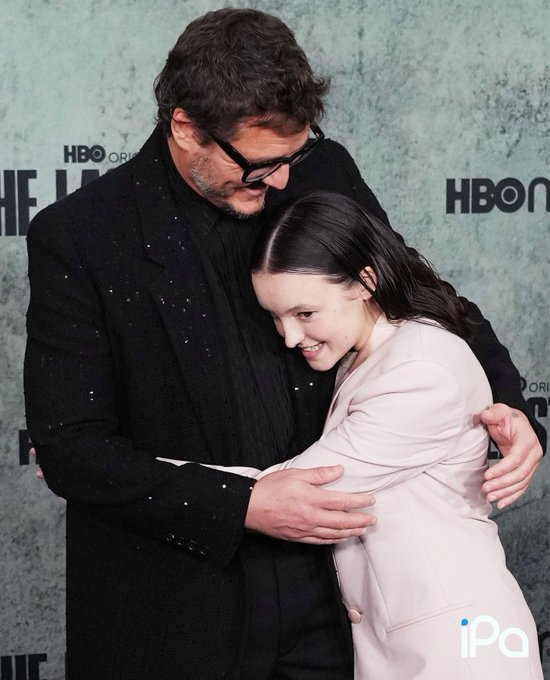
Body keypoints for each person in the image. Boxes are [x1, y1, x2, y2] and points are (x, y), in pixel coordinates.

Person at [23, 8, 543, 680]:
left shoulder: (322, 169)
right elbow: (73, 451)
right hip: (176, 610)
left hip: (334, 603)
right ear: (186, 127)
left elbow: (417, 295)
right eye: (260, 166)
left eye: (293, 157)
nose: (282, 183)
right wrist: (244, 505)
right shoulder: (82, 235)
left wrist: (509, 408)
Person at [173, 190, 541, 679]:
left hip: (460, 648)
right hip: (411, 643)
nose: (289, 336)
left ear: (366, 282)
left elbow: (297, 489)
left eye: (305, 314)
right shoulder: (374, 353)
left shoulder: (422, 370)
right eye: (275, 317)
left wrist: (137, 476)